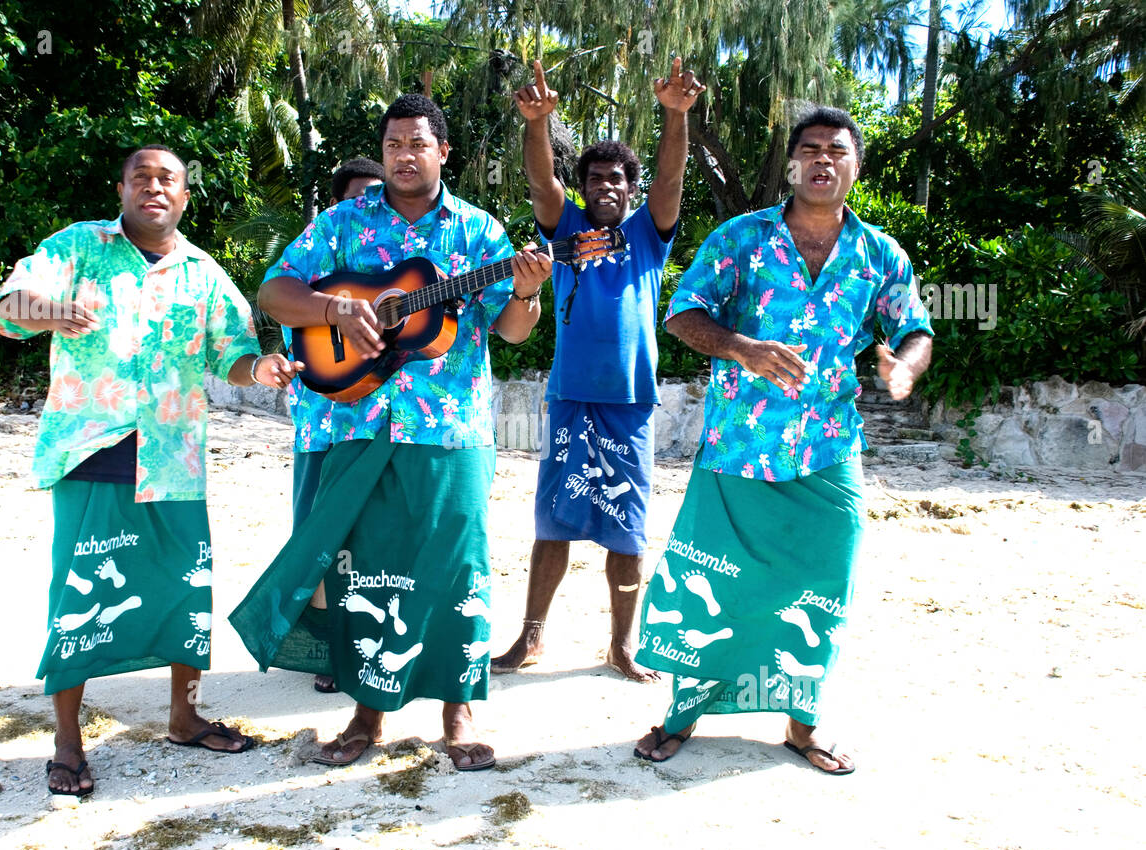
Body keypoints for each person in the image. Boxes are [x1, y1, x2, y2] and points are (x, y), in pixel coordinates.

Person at [231, 95, 553, 769]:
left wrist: (526, 291)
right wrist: (334, 308)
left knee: (457, 567)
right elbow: (273, 292)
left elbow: (513, 330)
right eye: (393, 145)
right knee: (366, 571)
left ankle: (458, 714)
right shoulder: (343, 223)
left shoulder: (478, 231)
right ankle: (366, 715)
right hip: (356, 420)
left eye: (417, 144)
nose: (404, 156)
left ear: (444, 153)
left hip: (451, 430)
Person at [631, 107, 934, 773]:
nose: (824, 159)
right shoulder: (741, 238)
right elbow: (682, 313)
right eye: (810, 149)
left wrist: (905, 365)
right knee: (710, 587)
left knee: (822, 586)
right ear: (792, 165)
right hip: (737, 449)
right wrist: (740, 347)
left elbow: (914, 326)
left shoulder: (880, 253)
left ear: (855, 166)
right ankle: (682, 714)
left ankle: (803, 725)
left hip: (828, 456)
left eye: (837, 150)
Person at [0, 145, 301, 797]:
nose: (154, 187)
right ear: (122, 188)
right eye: (142, 177)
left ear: (185, 197)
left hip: (173, 457)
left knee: (187, 590)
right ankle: (68, 744)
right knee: (79, 596)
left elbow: (234, 355)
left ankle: (184, 717)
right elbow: (9, 307)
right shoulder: (79, 247)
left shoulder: (203, 274)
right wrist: (47, 312)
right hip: (91, 451)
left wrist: (262, 370)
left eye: (168, 180)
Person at [491, 58, 705, 682]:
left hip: (629, 405)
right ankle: (530, 640)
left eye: (617, 179)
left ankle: (621, 646)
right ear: (583, 189)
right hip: (570, 401)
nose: (606, 187)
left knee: (628, 532)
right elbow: (539, 183)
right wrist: (539, 123)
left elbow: (670, 180)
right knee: (552, 522)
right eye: (595, 180)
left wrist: (675, 115)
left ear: (630, 191)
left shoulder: (648, 232)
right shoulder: (568, 228)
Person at [281, 157, 385, 696]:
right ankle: (322, 646)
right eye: (358, 195)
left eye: (376, 194)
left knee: (371, 540)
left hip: (381, 426)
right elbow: (280, 301)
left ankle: (368, 639)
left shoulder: (386, 260)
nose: (369, 203)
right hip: (321, 425)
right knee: (321, 535)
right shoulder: (320, 255)